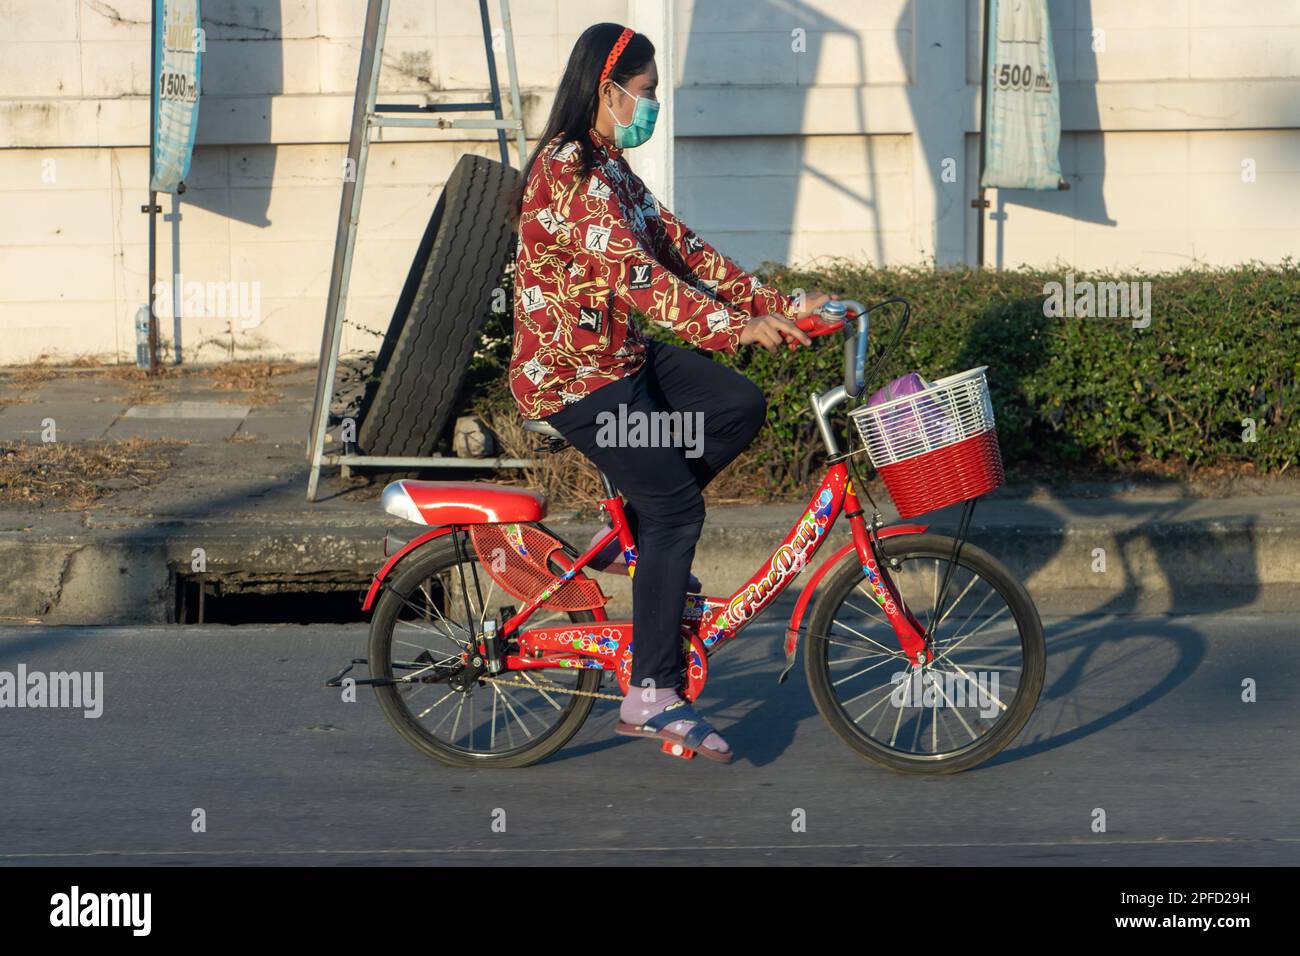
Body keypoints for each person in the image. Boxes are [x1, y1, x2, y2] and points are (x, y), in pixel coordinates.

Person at [506, 23, 829, 762]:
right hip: (573, 379)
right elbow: (639, 277)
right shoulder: (568, 174)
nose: (651, 107)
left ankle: (645, 539)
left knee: (738, 407)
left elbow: (678, 247)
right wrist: (731, 329)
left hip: (621, 357)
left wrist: (770, 303)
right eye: (645, 94)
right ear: (607, 90)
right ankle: (651, 691)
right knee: (678, 506)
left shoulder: (610, 165)